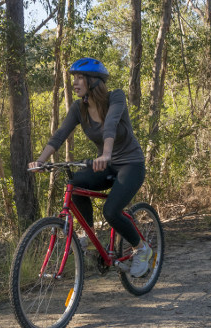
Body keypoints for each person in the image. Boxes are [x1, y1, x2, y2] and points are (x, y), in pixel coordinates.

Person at [28, 57, 152, 277]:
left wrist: (105, 154)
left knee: (111, 211)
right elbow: (60, 135)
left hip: (131, 164)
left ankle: (141, 249)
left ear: (94, 81)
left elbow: (111, 125)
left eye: (80, 78)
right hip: (106, 166)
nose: (75, 83)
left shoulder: (116, 97)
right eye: (74, 78)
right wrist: (41, 160)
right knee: (75, 184)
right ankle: (91, 240)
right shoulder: (79, 108)